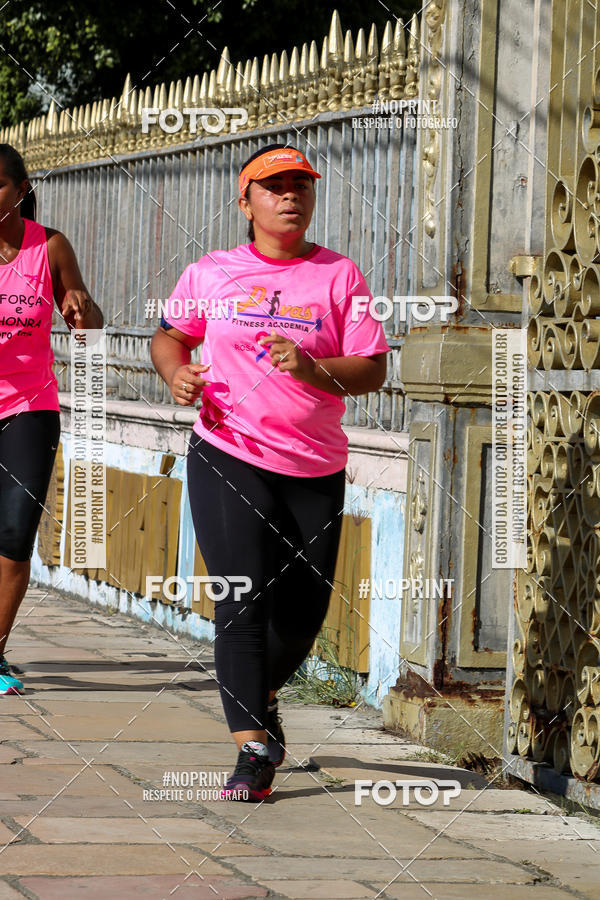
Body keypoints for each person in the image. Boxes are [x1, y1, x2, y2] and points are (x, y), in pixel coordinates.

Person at [151, 143, 389, 801]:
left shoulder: (340, 276)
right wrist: (176, 373)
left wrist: (315, 369)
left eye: (300, 186)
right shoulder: (211, 272)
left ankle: (263, 696)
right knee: (242, 599)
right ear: (246, 201)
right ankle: (252, 752)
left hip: (314, 464)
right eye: (274, 186)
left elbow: (372, 368)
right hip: (227, 452)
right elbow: (169, 336)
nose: (290, 196)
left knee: (304, 616)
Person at [0, 144, 103, 694]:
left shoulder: (50, 246)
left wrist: (81, 306)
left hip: (30, 406)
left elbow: (89, 326)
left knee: (15, 532)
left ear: (20, 190)